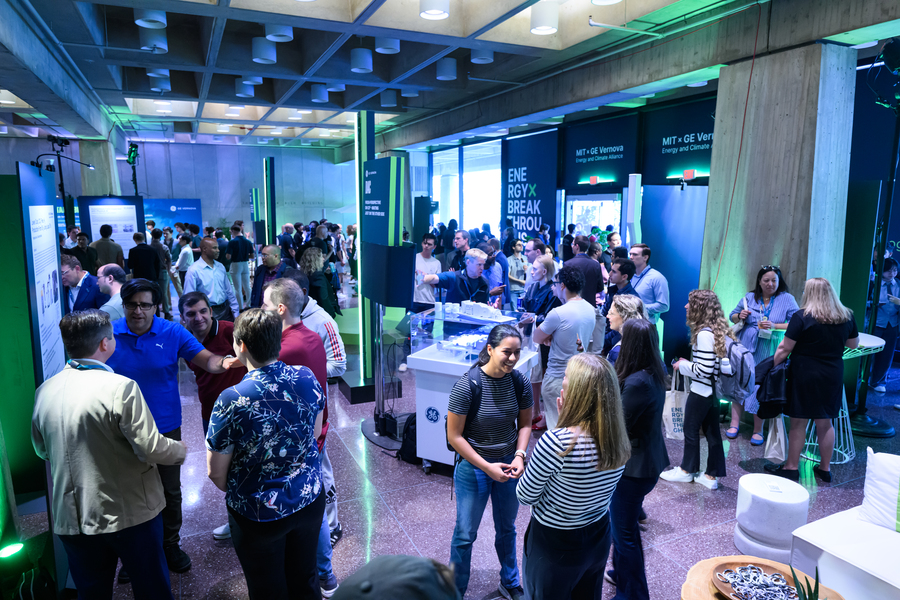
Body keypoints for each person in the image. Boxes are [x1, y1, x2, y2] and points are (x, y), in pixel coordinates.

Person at [32, 310, 186, 600]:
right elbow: (150, 447)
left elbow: (42, 450)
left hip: (72, 517)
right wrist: (180, 451)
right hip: (129, 514)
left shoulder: (44, 390)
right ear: (105, 344)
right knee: (151, 587)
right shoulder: (121, 388)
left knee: (91, 592)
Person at [106, 278, 240, 573]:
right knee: (129, 491)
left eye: (145, 305)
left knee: (170, 490)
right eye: (132, 304)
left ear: (156, 306)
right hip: (121, 429)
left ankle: (170, 545)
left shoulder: (172, 332)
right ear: (124, 306)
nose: (138, 311)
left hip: (165, 426)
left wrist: (234, 362)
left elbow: (208, 361)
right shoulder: (110, 335)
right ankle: (135, 553)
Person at [206, 309, 326, 600]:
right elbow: (315, 431)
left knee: (267, 589)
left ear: (241, 345)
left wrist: (248, 487)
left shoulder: (232, 399)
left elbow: (216, 472)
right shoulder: (306, 377)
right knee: (305, 579)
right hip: (309, 499)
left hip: (258, 513)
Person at [517, 353, 629, 600]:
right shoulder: (617, 438)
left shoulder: (556, 442)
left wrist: (558, 429)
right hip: (598, 535)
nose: (561, 381)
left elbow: (525, 495)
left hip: (554, 544)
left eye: (566, 377)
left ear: (576, 391)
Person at [261, 279, 339, 596]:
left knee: (310, 509)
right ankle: (325, 573)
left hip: (299, 441)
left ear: (280, 309)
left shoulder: (286, 348)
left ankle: (324, 573)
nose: (262, 311)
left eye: (265, 306)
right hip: (314, 432)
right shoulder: (309, 336)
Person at [447, 324, 533, 600]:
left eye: (517, 353)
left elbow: (526, 424)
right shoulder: (467, 385)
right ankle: (454, 590)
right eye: (506, 352)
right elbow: (454, 436)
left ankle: (509, 581)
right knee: (464, 534)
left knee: (507, 528)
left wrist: (519, 455)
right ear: (490, 349)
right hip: (474, 468)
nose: (512, 358)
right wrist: (486, 467)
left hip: (508, 463)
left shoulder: (520, 382)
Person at [766, 278, 859, 483]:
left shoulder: (802, 317)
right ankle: (824, 469)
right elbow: (853, 345)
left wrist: (768, 368)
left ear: (809, 293)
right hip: (832, 373)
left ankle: (791, 468)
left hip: (804, 373)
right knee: (825, 423)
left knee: (799, 422)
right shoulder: (847, 316)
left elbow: (785, 348)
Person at [283, 269, 346, 547]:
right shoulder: (281, 319)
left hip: (313, 409)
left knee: (321, 465)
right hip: (287, 410)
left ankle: (332, 524)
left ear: (303, 295)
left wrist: (307, 372)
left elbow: (339, 363)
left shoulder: (323, 321)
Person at [606, 319, 669, 599]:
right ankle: (621, 576)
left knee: (624, 535)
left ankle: (632, 595)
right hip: (646, 463)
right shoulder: (654, 371)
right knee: (624, 529)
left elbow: (619, 425)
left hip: (634, 470)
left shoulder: (637, 383)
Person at [661, 290, 733, 490]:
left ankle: (687, 470)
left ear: (699, 308)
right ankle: (711, 475)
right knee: (712, 433)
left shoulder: (703, 334)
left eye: (690, 303)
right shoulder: (715, 331)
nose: (686, 307)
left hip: (701, 392)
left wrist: (682, 366)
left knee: (690, 430)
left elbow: (703, 370)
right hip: (713, 393)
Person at [728, 266, 799, 444]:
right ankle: (734, 424)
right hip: (745, 348)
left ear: (779, 281)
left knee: (760, 386)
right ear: (759, 281)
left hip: (768, 349)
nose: (770, 284)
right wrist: (739, 315)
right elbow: (732, 316)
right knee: (740, 382)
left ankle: (758, 430)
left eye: (774, 280)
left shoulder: (787, 299)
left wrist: (775, 325)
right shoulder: (749, 297)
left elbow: (796, 323)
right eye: (766, 280)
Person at [533, 266, 597, 430]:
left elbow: (536, 337)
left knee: (556, 428)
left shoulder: (558, 313)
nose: (553, 287)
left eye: (555, 283)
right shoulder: (590, 309)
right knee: (574, 427)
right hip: (580, 376)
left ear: (563, 286)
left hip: (557, 378)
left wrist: (550, 336)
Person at [518, 255, 560, 430]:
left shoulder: (552, 290)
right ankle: (535, 411)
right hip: (530, 335)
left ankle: (543, 414)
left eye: (535, 268)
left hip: (543, 338)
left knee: (541, 378)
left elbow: (549, 316)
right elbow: (526, 308)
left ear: (544, 271)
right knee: (533, 377)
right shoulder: (534, 286)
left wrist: (531, 318)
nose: (531, 271)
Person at [184, 238, 240, 321]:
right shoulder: (193, 270)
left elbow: (229, 291)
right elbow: (189, 297)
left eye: (217, 248)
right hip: (207, 313)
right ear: (204, 249)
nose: (218, 250)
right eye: (214, 248)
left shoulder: (220, 266)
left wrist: (236, 313)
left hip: (226, 311)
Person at [869, 258, 900, 393]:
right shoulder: (873, 283)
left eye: (894, 270)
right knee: (869, 354)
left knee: (887, 354)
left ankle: (879, 381)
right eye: (888, 270)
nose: (892, 273)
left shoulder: (898, 284)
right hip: (875, 322)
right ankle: (863, 379)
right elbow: (865, 301)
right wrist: (874, 304)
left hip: (892, 323)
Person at [423, 248, 493, 305]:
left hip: (474, 322)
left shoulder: (484, 283)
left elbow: (484, 307)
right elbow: (435, 278)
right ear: (468, 262)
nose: (482, 268)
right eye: (479, 264)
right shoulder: (454, 277)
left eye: (483, 265)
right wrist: (423, 278)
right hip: (455, 321)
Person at [601, 258, 638, 355]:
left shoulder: (631, 299)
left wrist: (603, 341)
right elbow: (604, 314)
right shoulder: (613, 291)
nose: (609, 274)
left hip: (620, 347)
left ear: (624, 276)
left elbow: (622, 328)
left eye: (614, 272)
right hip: (610, 342)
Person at [628, 244, 669, 331]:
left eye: (635, 254)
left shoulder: (657, 278)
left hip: (645, 327)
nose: (631, 257)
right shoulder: (629, 275)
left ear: (645, 258)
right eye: (630, 254)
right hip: (627, 325)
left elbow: (664, 306)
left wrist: (640, 308)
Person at [604, 294, 648, 364]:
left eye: (611, 313)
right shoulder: (648, 344)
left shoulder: (617, 353)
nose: (607, 316)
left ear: (625, 317)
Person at [300, 246, 342, 318]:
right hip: (322, 313)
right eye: (321, 257)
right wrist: (331, 312)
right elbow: (323, 297)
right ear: (315, 259)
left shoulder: (306, 273)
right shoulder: (318, 275)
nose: (323, 259)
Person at [225, 224, 256, 311]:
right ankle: (249, 304)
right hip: (245, 263)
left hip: (235, 264)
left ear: (233, 231)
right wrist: (244, 256)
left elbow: (228, 256)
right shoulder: (248, 242)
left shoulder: (232, 242)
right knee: (247, 286)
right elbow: (252, 255)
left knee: (237, 288)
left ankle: (240, 307)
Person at [566, 237, 603, 308]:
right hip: (590, 305)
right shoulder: (596, 264)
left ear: (577, 246)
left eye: (572, 244)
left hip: (572, 306)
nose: (571, 246)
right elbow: (600, 287)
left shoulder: (568, 264)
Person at [413, 233, 442, 312]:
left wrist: (425, 276)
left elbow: (436, 285)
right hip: (414, 300)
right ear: (422, 243)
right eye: (425, 243)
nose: (426, 246)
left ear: (434, 246)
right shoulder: (414, 258)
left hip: (429, 301)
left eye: (429, 244)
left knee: (428, 324)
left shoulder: (437, 263)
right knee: (410, 324)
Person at [150, 228, 174, 319]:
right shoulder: (164, 247)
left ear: (152, 235)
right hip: (162, 271)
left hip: (152, 272)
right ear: (161, 236)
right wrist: (168, 270)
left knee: (152, 292)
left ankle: (155, 312)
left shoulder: (149, 246)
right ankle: (166, 312)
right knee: (164, 293)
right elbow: (169, 260)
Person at [489, 238, 511, 308]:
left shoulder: (499, 259)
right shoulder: (501, 256)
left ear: (493, 247)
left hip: (500, 294)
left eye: (488, 246)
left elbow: (498, 278)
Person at [508, 239, 527, 310]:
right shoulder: (509, 260)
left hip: (524, 290)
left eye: (522, 245)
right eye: (519, 245)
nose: (521, 246)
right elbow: (508, 275)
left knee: (525, 311)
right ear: (513, 247)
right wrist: (520, 281)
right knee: (515, 311)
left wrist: (527, 271)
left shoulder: (525, 258)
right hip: (513, 289)